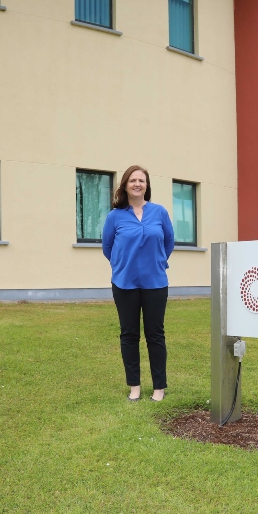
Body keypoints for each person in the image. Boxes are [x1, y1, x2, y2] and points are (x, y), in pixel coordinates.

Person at [102, 165, 175, 402]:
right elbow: (107, 246)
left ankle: (159, 388)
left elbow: (169, 242)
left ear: (147, 185)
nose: (137, 184)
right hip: (124, 283)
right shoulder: (115, 216)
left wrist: (158, 261)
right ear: (125, 185)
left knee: (155, 334)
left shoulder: (160, 212)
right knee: (129, 335)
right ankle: (134, 386)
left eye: (141, 180)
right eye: (132, 180)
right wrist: (121, 265)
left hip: (155, 282)